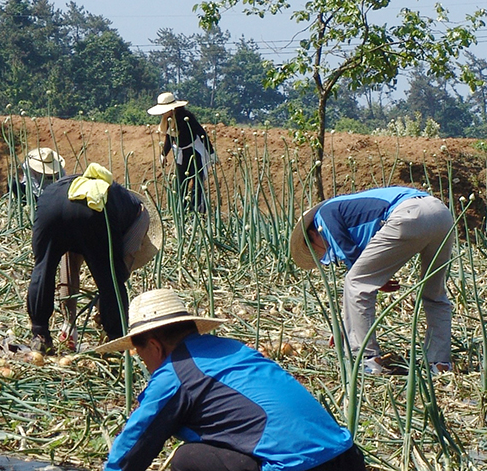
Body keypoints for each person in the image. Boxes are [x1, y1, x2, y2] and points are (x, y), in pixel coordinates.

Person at [98, 288, 364, 471]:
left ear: (155, 346)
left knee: (188, 458)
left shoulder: (174, 374)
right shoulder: (234, 350)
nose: (145, 364)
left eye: (140, 353)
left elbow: (135, 443)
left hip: (300, 468)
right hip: (348, 458)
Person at [291, 186, 454, 375]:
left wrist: (351, 331)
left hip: (408, 214)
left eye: (315, 248)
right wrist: (348, 327)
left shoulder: (324, 215)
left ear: (313, 234)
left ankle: (365, 360)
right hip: (441, 213)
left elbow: (354, 264)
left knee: (356, 282)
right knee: (434, 293)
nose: (324, 251)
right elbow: (367, 264)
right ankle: (440, 363)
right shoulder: (353, 213)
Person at [27, 163, 160, 353]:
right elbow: (120, 266)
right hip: (93, 212)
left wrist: (71, 318)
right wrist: (106, 301)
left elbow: (70, 261)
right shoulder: (139, 214)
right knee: (110, 278)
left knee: (43, 267)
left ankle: (40, 335)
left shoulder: (105, 192)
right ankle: (115, 341)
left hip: (50, 203)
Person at [147, 93, 214, 211]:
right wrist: (163, 154)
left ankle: (198, 211)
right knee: (179, 183)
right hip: (180, 154)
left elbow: (201, 133)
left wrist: (211, 153)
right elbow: (169, 138)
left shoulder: (187, 118)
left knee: (197, 183)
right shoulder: (168, 120)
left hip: (194, 153)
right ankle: (180, 210)